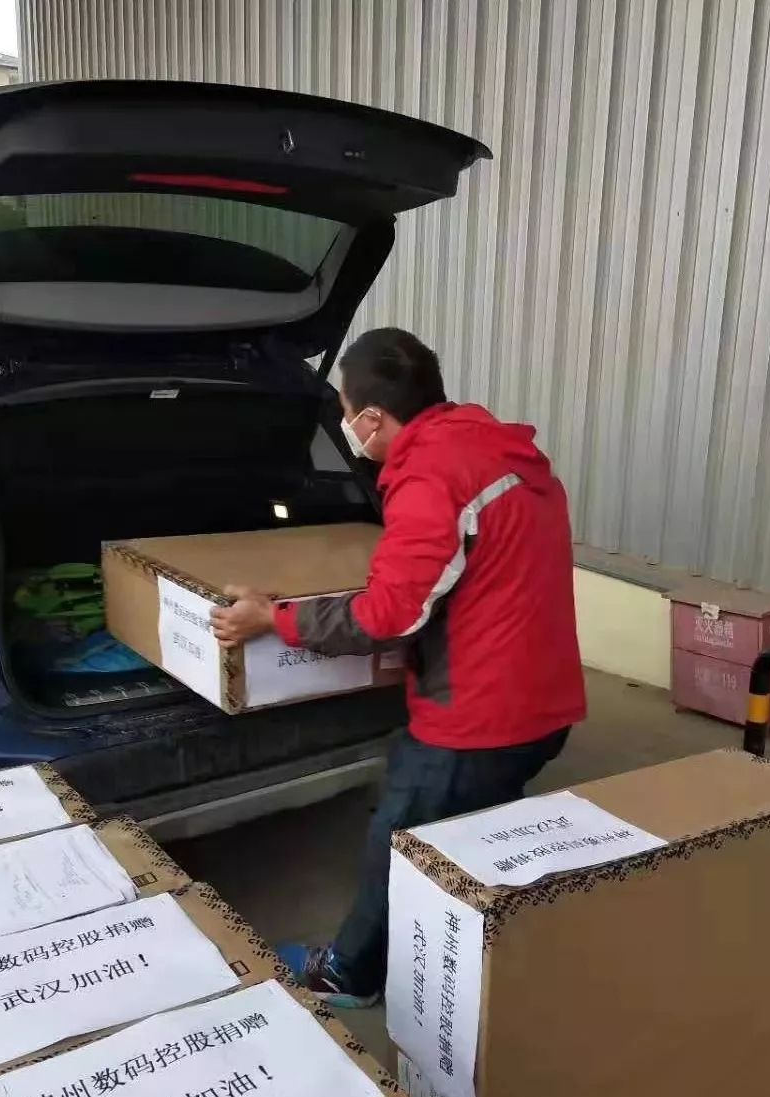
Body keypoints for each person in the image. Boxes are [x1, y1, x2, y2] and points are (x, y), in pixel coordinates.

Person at [212, 328, 586, 1006]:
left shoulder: (431, 475)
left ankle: (348, 974)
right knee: (473, 838)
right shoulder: (493, 450)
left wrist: (275, 618)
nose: (347, 429)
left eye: (346, 415)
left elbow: (387, 616)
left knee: (401, 838)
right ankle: (473, 963)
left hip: (477, 717)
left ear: (373, 417)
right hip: (544, 701)